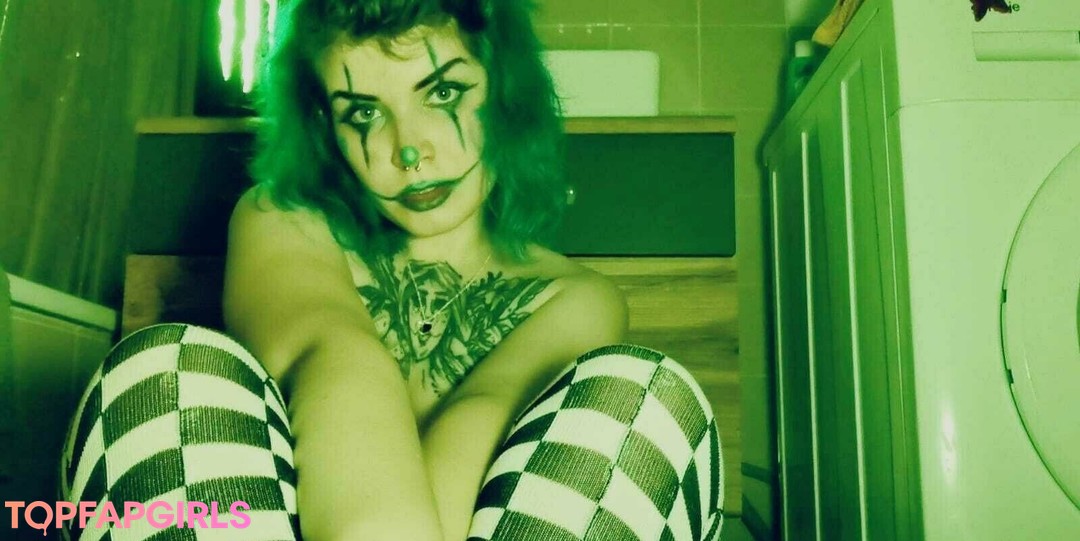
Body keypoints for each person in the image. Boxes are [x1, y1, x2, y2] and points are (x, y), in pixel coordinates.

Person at [58, 1, 724, 540]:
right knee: (162, 371)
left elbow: (480, 422)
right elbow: (330, 354)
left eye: (443, 92)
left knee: (644, 394)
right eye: (365, 113)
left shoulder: (574, 299)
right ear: (324, 125)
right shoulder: (282, 220)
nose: (409, 149)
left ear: (504, 90)